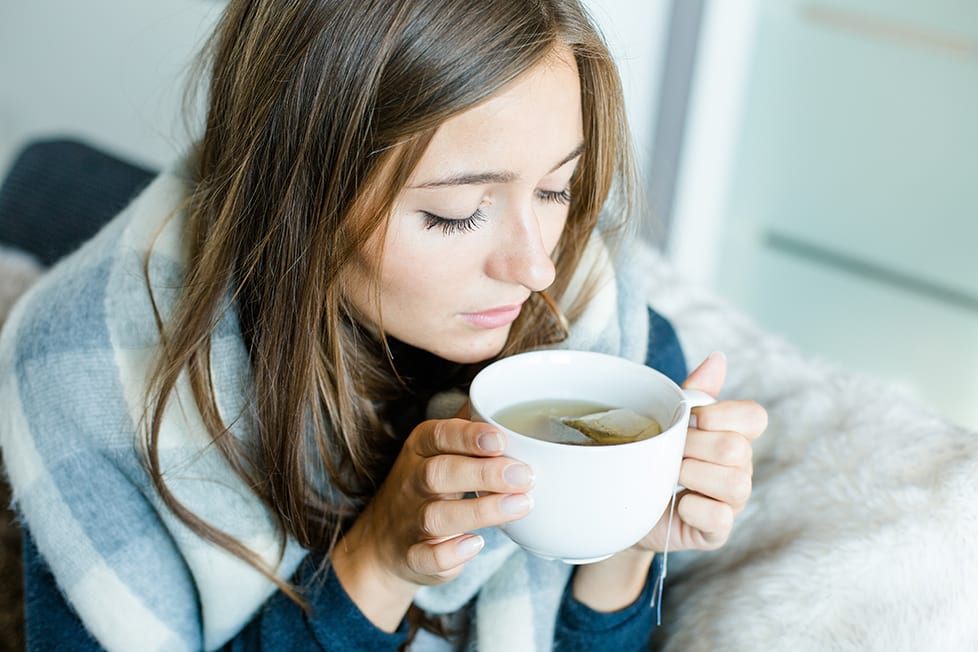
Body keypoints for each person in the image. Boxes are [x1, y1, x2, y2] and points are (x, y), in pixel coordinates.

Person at [0, 1, 767, 650]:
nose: (539, 270)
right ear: (298, 195)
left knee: (50, 174)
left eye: (558, 190)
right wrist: (377, 562)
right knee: (44, 181)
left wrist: (628, 543)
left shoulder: (619, 348)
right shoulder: (80, 378)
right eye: (457, 213)